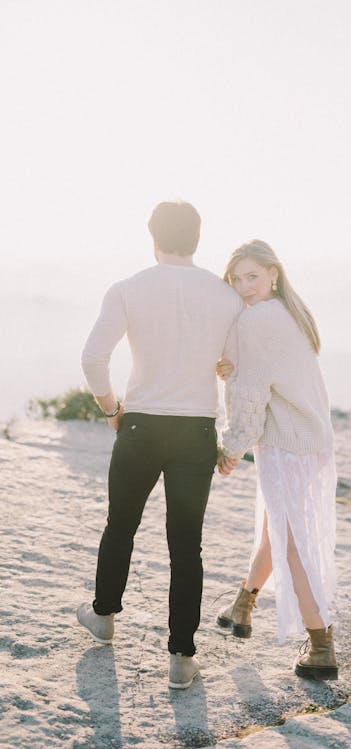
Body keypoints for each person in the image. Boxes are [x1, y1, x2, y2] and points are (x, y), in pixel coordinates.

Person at [77, 201, 242, 689]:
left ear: (153, 237)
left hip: (141, 425)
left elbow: (93, 360)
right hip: (195, 432)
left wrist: (112, 410)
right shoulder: (225, 296)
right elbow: (235, 366)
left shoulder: (128, 289)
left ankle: (104, 616)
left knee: (120, 525)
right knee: (186, 546)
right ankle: (181, 658)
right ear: (197, 237)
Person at [216, 239, 338, 680]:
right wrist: (233, 364)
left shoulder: (257, 320)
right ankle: (243, 605)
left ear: (273, 273)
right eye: (236, 279)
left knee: (291, 544)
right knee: (276, 528)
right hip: (310, 440)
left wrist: (230, 448)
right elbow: (264, 373)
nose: (244, 286)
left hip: (287, 445)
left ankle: (321, 645)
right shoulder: (291, 311)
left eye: (252, 276)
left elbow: (250, 395)